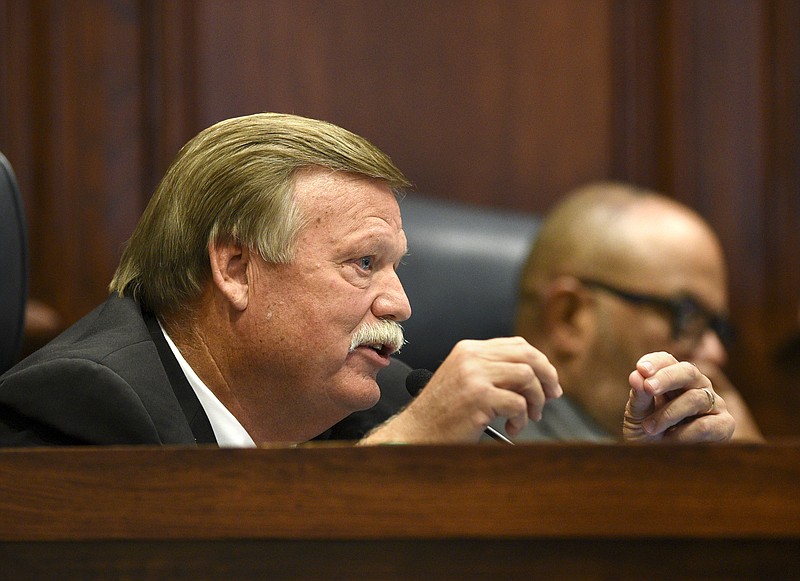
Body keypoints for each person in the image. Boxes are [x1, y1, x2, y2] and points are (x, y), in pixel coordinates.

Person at [0, 114, 734, 446]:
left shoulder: (376, 397)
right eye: (363, 263)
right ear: (235, 267)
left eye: (396, 266)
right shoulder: (79, 412)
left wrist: (640, 478)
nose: (402, 301)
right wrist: (405, 451)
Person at [511, 182, 763, 442]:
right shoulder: (492, 459)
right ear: (569, 317)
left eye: (716, 327)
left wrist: (745, 469)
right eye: (688, 316)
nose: (715, 352)